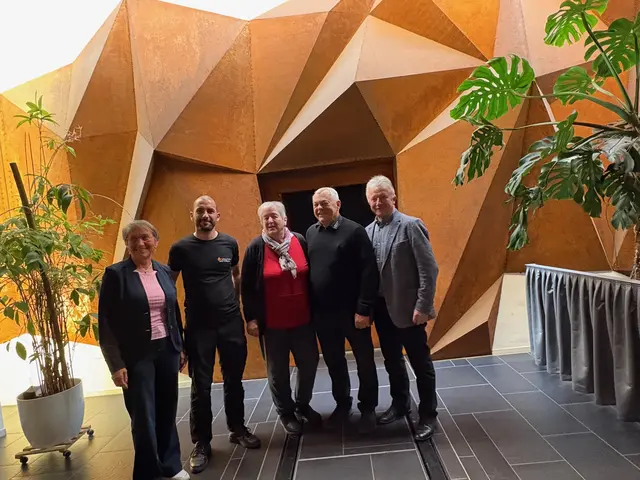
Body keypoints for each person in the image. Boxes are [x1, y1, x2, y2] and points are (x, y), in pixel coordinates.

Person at [168, 196, 260, 475]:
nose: (205, 215)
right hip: (199, 328)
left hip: (230, 323)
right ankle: (202, 443)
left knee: (234, 379)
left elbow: (235, 276)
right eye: (200, 210)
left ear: (218, 215)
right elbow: (169, 287)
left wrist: (233, 304)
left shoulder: (229, 243)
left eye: (210, 210)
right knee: (201, 386)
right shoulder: (180, 248)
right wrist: (176, 331)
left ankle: (238, 429)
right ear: (192, 215)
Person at [98, 220, 190, 480]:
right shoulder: (116, 275)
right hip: (137, 355)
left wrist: (180, 346)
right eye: (133, 239)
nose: (140, 243)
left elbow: (173, 311)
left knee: (167, 409)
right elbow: (105, 322)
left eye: (145, 237)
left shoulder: (164, 271)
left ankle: (171, 465)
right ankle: (148, 472)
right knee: (143, 416)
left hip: (167, 350)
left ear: (155, 241)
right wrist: (115, 364)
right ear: (127, 245)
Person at [365, 175, 439, 441]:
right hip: (382, 311)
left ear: (393, 197)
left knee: (421, 364)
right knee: (392, 361)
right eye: (373, 198)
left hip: (410, 310)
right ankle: (400, 404)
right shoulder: (368, 232)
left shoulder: (410, 225)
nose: (377, 202)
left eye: (382, 197)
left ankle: (428, 415)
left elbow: (429, 269)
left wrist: (423, 306)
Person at [241, 201, 322, 435]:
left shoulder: (300, 241)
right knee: (278, 373)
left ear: (285, 219)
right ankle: (286, 412)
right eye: (265, 218)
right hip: (273, 325)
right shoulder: (256, 248)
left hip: (303, 321)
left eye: (274, 216)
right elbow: (247, 287)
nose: (270, 221)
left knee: (309, 364)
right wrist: (251, 318)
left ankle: (302, 404)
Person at [305, 187, 379, 434]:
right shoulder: (311, 233)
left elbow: (369, 272)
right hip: (324, 315)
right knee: (334, 363)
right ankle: (342, 404)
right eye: (315, 204)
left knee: (364, 362)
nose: (319, 208)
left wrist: (363, 309)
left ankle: (368, 408)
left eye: (324, 203)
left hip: (353, 313)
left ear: (338, 204)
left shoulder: (355, 231)